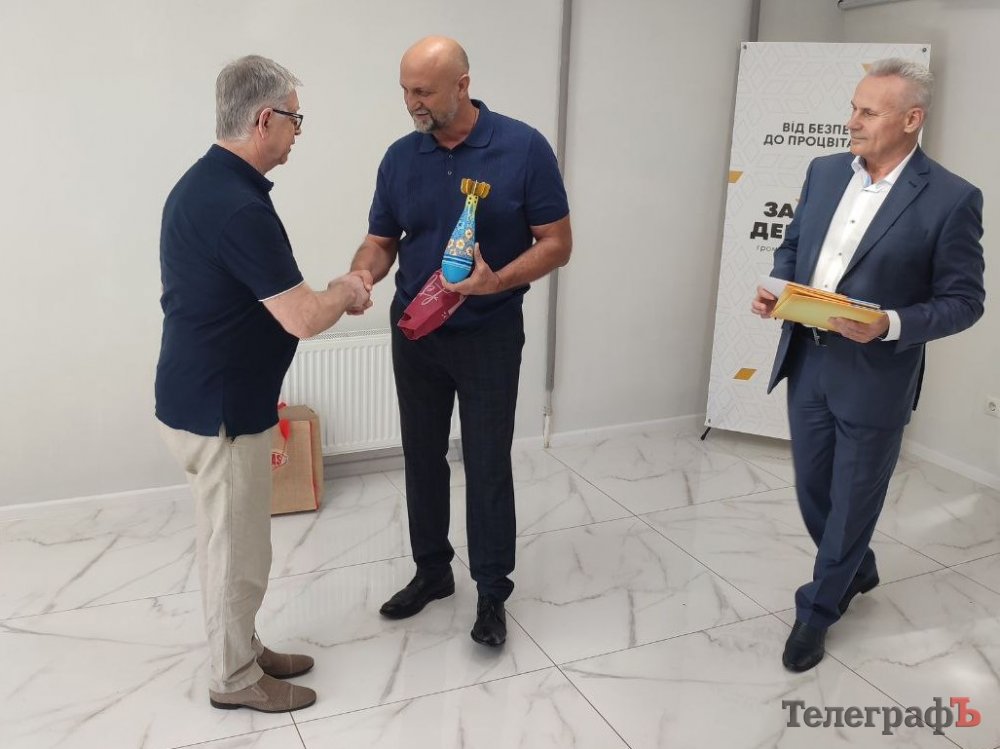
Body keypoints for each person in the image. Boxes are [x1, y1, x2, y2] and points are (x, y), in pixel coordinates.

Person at [751, 58, 985, 672]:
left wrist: (890, 324)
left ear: (912, 120)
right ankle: (856, 565)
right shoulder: (824, 171)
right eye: (853, 107)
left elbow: (965, 301)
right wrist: (777, 286)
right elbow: (795, 245)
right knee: (813, 489)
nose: (851, 121)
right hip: (807, 356)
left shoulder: (952, 198)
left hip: (875, 375)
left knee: (854, 498)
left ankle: (817, 610)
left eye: (868, 112)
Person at [155, 55, 370, 712]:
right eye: (295, 119)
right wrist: (347, 289)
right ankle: (234, 677)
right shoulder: (236, 206)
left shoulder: (206, 185)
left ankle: (243, 646)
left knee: (236, 541)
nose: (298, 132)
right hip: (218, 408)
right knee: (236, 552)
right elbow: (302, 316)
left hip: (207, 395)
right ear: (263, 119)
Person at [349, 36, 572, 647]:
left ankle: (492, 590)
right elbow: (381, 240)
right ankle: (432, 572)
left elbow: (557, 243)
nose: (411, 103)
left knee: (487, 462)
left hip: (488, 335)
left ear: (463, 85)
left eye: (423, 91)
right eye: (404, 90)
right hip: (416, 333)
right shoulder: (400, 157)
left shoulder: (523, 148)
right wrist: (362, 273)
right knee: (421, 456)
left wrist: (496, 281)